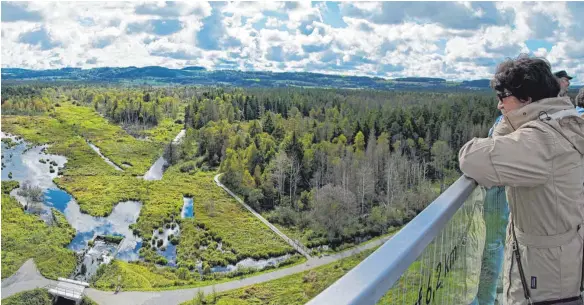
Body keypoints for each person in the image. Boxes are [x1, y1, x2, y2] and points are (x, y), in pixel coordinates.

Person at [459, 55, 584, 305]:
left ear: (526, 99)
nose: (499, 107)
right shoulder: (566, 122)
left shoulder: (540, 141)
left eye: (502, 98)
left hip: (545, 279)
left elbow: (471, 157)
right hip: (565, 265)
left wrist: (510, 123)